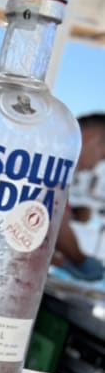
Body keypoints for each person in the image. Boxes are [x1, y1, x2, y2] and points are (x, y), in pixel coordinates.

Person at [53, 112, 105, 280]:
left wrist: (73, 213)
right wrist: (80, 261)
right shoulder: (54, 162)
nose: (94, 166)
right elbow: (56, 227)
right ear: (93, 139)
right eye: (102, 157)